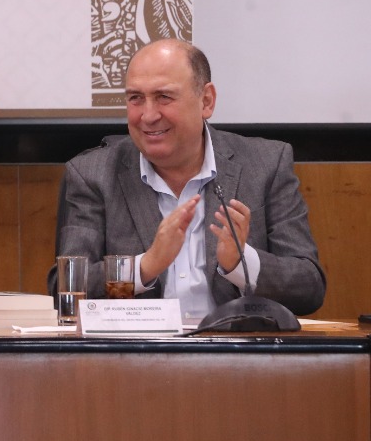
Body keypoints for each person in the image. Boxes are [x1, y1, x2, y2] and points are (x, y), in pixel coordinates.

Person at [49, 39, 325, 322]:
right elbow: (65, 289)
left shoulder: (265, 164)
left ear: (206, 101)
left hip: (237, 348)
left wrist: (241, 263)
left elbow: (309, 287)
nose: (148, 115)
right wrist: (145, 267)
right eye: (136, 98)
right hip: (138, 348)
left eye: (164, 97)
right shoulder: (93, 174)